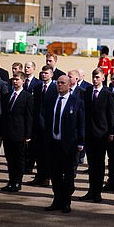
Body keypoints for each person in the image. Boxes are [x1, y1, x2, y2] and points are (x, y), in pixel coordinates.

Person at [44, 76, 85, 214]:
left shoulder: (76, 102)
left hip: (68, 145)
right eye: (58, 83)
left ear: (69, 85)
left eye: (63, 83)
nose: (59, 85)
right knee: (55, 174)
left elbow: (81, 124)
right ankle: (57, 200)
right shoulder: (51, 101)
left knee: (68, 175)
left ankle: (66, 201)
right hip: (53, 143)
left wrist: (80, 142)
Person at [80, 68, 114, 203]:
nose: (95, 79)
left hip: (102, 134)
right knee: (91, 164)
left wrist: (111, 132)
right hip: (89, 133)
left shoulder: (108, 94)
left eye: (98, 77)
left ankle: (97, 192)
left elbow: (111, 115)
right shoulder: (87, 92)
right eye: (93, 77)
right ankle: (91, 190)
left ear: (103, 78)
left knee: (99, 165)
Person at [0, 71, 33, 192]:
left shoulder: (27, 96)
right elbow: (4, 115)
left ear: (23, 81)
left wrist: (28, 134)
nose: (15, 81)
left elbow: (29, 117)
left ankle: (18, 182)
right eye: (13, 79)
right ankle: (10, 181)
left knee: (19, 159)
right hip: (7, 132)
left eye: (17, 79)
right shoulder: (7, 96)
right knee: (10, 159)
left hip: (20, 133)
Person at [27, 65, 56, 187]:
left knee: (47, 154)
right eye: (42, 73)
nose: (44, 75)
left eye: (46, 73)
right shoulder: (37, 88)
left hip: (49, 126)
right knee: (37, 152)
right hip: (37, 125)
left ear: (51, 75)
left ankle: (46, 177)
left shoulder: (55, 88)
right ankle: (39, 176)